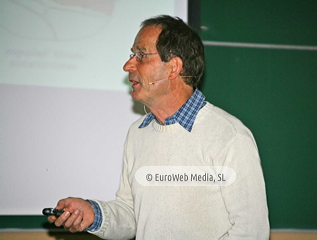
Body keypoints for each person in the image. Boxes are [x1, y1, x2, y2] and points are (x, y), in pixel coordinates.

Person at [48, 15, 270, 239]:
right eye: (132, 55)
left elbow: (251, 231)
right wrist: (94, 214)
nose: (128, 66)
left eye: (141, 55)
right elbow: (133, 216)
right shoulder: (138, 133)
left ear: (173, 67)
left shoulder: (229, 136)